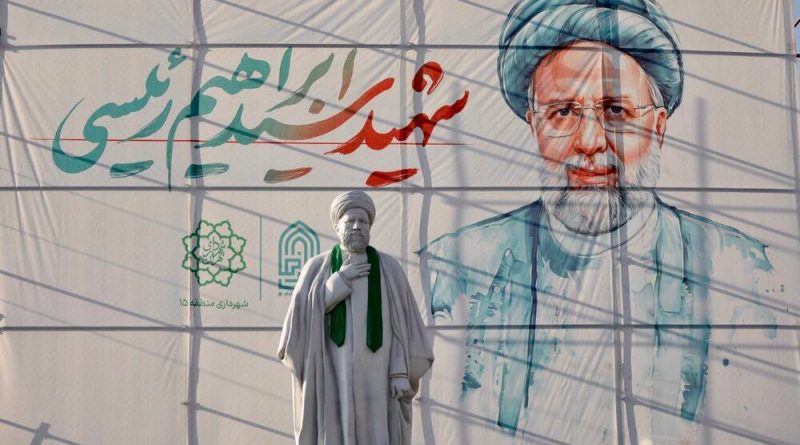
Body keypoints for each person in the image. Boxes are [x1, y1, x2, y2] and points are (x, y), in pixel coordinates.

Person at [422, 0, 795, 443]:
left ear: (658, 127)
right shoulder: (457, 271)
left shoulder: (746, 276)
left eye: (616, 110)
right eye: (563, 112)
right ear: (534, 127)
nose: (591, 141)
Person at [278, 191, 433, 445]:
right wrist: (339, 281)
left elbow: (402, 328)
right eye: (350, 221)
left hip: (379, 377)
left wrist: (399, 372)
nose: (357, 227)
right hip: (332, 371)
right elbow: (300, 322)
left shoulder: (389, 269)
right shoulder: (317, 268)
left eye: (363, 221)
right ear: (337, 227)